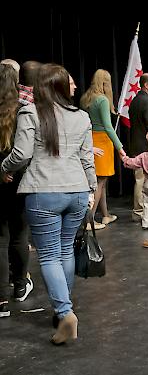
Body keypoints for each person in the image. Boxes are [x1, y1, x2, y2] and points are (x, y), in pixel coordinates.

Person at [1, 64, 96, 344]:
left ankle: (65, 312)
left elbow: (21, 154)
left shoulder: (30, 112)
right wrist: (90, 188)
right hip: (77, 189)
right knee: (65, 251)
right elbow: (87, 159)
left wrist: (2, 167)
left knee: (50, 255)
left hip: (43, 191)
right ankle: (62, 310)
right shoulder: (81, 116)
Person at [0, 65, 33, 317]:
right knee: (20, 234)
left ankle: (1, 299)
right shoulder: (24, 110)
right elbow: (26, 150)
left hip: (2, 178)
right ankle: (20, 287)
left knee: (1, 237)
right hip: (20, 178)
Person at [80, 69, 126, 230]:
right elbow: (108, 127)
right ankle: (89, 221)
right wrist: (119, 146)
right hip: (103, 141)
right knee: (99, 183)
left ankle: (105, 215)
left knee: (101, 181)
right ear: (106, 82)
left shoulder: (86, 98)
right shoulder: (103, 100)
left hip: (90, 140)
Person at [122, 138, 148, 245]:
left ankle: (146, 223)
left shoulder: (143, 155)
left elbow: (132, 163)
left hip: (147, 181)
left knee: (147, 203)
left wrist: (125, 158)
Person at [128, 73, 148, 221]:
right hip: (144, 147)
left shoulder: (135, 101)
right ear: (146, 85)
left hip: (135, 144)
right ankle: (138, 211)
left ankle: (140, 210)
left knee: (140, 180)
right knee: (142, 180)